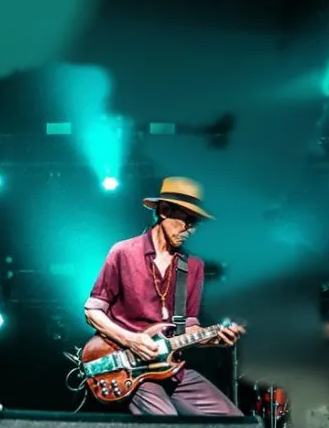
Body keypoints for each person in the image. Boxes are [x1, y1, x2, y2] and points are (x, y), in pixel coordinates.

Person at [84, 177, 245, 415]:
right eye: (187, 220)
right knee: (167, 427)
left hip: (171, 368)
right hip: (128, 369)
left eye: (196, 223)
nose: (191, 230)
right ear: (164, 210)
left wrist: (213, 338)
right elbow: (92, 310)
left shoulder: (193, 266)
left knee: (234, 424)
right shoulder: (123, 252)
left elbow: (187, 326)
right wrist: (131, 340)